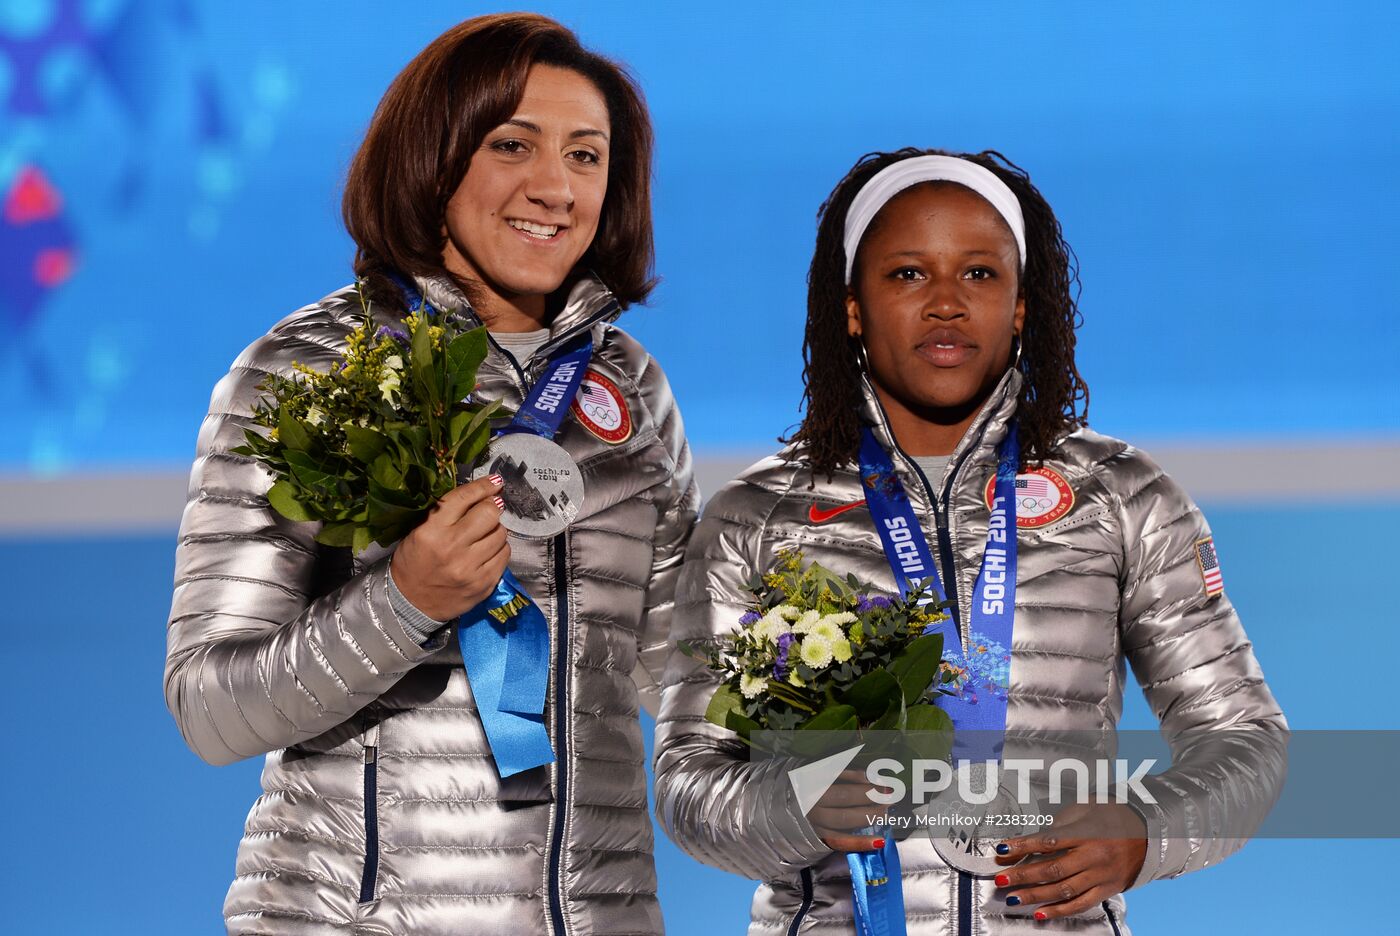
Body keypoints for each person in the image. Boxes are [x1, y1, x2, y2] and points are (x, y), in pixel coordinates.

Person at [653, 148, 1287, 935]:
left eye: (980, 275)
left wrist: (1146, 830)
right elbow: (686, 784)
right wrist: (796, 802)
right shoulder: (759, 514)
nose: (946, 303)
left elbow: (1247, 741)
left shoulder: (1122, 495)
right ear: (852, 305)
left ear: (1021, 305)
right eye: (908, 274)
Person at [165, 14, 697, 935]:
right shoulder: (307, 372)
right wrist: (404, 601)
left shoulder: (631, 390)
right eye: (512, 144)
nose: (554, 187)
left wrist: (866, 730)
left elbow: (681, 678)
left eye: (585, 156)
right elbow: (211, 708)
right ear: (431, 155)